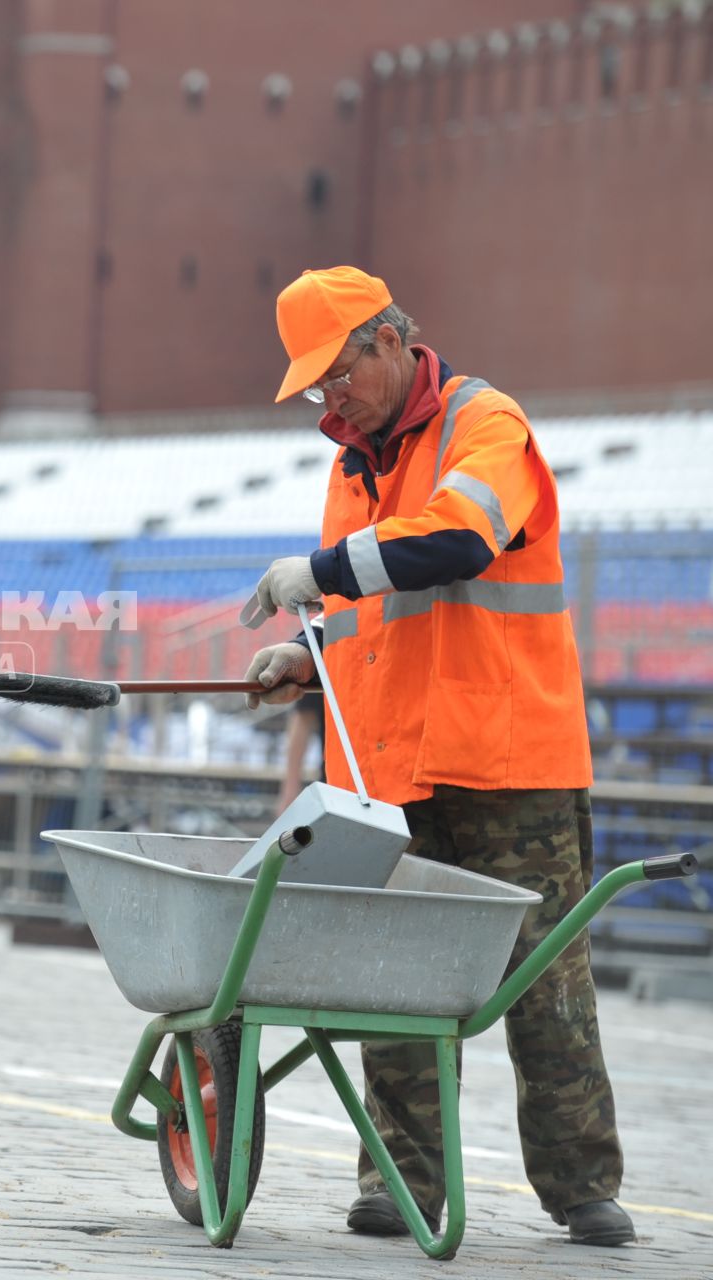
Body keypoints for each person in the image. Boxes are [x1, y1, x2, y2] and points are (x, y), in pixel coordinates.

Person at [244, 266, 625, 1245]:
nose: (326, 401)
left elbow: (456, 541)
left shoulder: (483, 424)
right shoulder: (351, 462)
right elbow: (388, 621)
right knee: (391, 977)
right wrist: (312, 651)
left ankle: (582, 1185)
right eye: (313, 387)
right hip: (393, 769)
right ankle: (397, 1179)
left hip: (509, 761)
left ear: (388, 341)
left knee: (544, 977)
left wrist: (319, 574)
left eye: (334, 375)